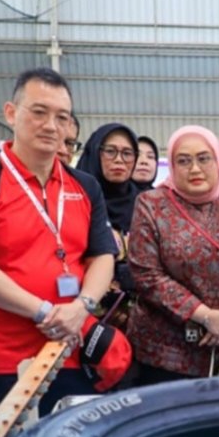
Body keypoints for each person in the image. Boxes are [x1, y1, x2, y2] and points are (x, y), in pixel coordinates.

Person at [0, 68, 116, 432]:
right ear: (11, 113)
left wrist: (81, 306)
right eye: (39, 112)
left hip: (72, 351)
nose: (51, 126)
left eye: (62, 117)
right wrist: (43, 311)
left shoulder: (85, 186)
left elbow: (103, 255)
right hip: (0, 359)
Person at [126, 125, 219, 383]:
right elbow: (147, 275)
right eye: (184, 161)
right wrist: (206, 316)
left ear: (218, 161)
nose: (195, 168)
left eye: (204, 158)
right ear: (172, 165)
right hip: (170, 352)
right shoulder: (151, 204)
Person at [75, 123, 142, 328]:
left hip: (138, 318)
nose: (119, 160)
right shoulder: (75, 198)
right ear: (95, 153)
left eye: (127, 153)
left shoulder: (144, 202)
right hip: (81, 315)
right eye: (110, 151)